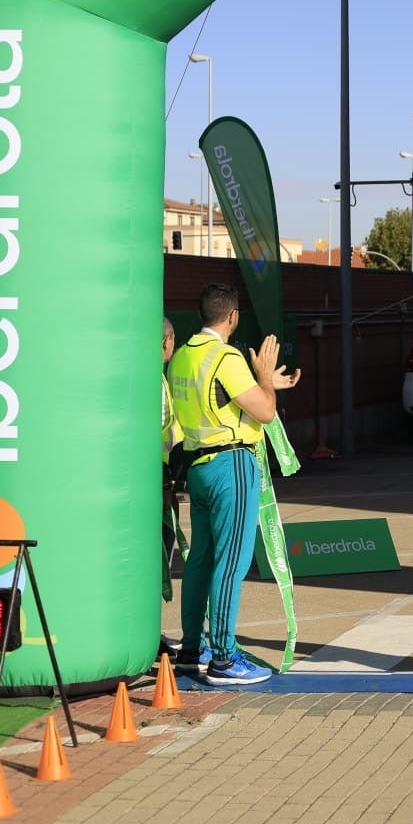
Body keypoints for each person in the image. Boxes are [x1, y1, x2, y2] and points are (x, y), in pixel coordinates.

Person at [168, 283, 301, 686]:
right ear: (233, 316)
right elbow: (262, 413)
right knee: (232, 562)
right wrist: (263, 378)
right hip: (231, 465)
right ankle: (225, 658)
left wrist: (264, 384)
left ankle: (193, 650)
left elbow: (220, 400)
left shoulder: (183, 357)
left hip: (198, 467)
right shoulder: (226, 357)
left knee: (201, 560)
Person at [160, 316, 185, 656]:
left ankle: (151, 632)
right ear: (167, 341)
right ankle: (149, 634)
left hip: (161, 479)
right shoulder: (156, 380)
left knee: (161, 559)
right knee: (158, 559)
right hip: (158, 481)